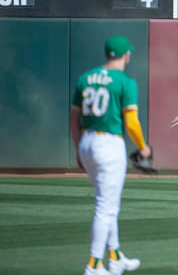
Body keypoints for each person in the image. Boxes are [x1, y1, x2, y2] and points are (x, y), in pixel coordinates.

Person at [70, 36, 151, 275]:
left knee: (109, 204)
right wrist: (143, 146)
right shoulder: (125, 81)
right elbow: (132, 122)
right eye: (129, 53)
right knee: (106, 206)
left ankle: (115, 258)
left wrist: (78, 148)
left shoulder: (85, 78)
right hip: (109, 145)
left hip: (87, 143)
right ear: (125, 55)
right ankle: (94, 265)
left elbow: (74, 118)